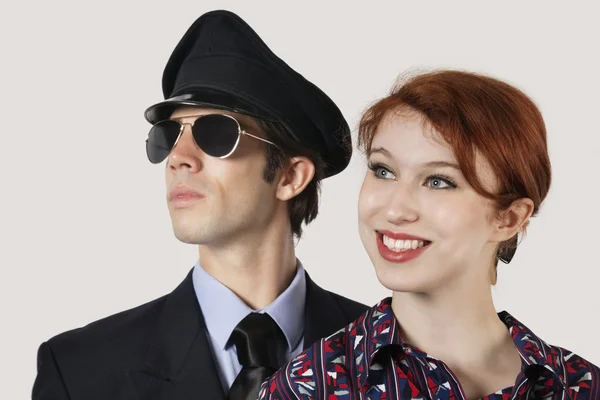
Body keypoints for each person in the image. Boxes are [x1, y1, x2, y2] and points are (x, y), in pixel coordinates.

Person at [32, 9, 368, 400]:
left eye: (216, 133)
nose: (179, 157)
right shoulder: (80, 371)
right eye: (169, 135)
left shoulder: (394, 355)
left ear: (290, 177)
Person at [259, 70, 600, 400]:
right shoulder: (309, 387)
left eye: (438, 181)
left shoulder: (579, 386)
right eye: (383, 171)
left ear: (508, 218)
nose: (395, 210)